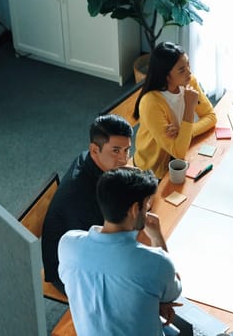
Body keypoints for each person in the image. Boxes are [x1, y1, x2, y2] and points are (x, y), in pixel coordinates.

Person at [58, 167, 183, 335]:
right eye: (146, 205)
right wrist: (157, 238)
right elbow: (172, 294)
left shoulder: (68, 244)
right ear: (133, 209)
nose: (147, 210)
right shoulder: (156, 263)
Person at [41, 114, 133, 294]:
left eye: (127, 150)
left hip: (86, 243)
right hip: (69, 270)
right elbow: (100, 248)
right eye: (115, 151)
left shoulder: (89, 160)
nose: (123, 159)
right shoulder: (82, 195)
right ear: (94, 150)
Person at [133, 41, 216, 179]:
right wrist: (189, 107)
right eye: (182, 69)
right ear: (166, 75)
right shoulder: (151, 103)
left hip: (178, 155)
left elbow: (211, 116)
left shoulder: (189, 82)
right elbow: (179, 152)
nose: (189, 73)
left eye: (188, 65)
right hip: (153, 171)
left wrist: (184, 131)